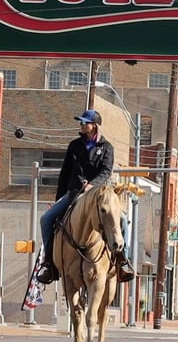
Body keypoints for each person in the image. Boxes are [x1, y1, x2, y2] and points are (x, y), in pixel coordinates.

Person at [36, 108, 135, 285]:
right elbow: (65, 173)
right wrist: (58, 199)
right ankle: (48, 262)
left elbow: (106, 172)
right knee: (45, 219)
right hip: (74, 193)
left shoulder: (106, 148)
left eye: (85, 122)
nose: (81, 125)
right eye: (81, 122)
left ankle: (123, 261)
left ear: (94, 126)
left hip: (98, 194)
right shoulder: (74, 146)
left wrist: (92, 184)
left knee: (122, 220)